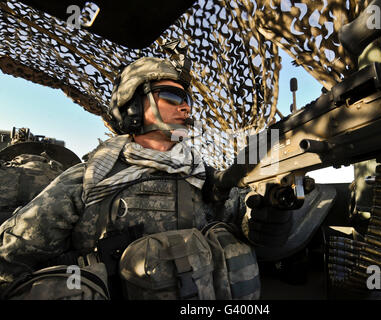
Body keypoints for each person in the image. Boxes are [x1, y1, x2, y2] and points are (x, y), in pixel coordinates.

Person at [0, 44, 293, 300]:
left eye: (187, 101)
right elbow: (10, 262)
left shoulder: (208, 178)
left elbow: (253, 231)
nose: (186, 109)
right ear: (134, 108)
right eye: (173, 98)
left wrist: (272, 217)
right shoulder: (89, 180)